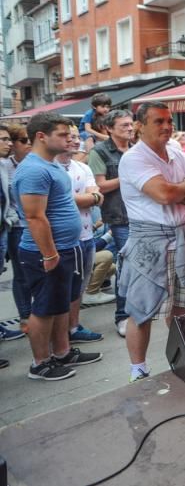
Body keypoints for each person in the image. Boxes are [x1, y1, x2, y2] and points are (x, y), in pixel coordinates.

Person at [117, 101, 185, 383]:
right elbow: (164, 195)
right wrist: (183, 188)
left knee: (181, 309)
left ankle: (179, 360)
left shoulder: (175, 152)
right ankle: (138, 369)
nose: (167, 126)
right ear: (140, 125)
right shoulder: (134, 158)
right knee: (141, 310)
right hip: (150, 241)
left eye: (169, 121)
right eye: (159, 121)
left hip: (181, 235)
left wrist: (177, 190)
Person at [14, 112, 102, 381]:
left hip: (68, 247)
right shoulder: (33, 169)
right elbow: (34, 217)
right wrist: (49, 253)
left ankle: (62, 352)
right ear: (41, 136)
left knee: (61, 304)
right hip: (48, 252)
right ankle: (40, 364)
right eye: (62, 134)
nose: (70, 139)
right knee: (43, 308)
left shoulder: (51, 165)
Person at [88, 109, 134, 338]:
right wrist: (128, 174)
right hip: (119, 217)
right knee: (126, 265)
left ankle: (139, 311)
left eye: (130, 124)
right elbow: (101, 186)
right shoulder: (100, 152)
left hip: (143, 215)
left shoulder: (137, 148)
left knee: (144, 265)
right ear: (109, 128)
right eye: (124, 125)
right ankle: (122, 316)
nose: (130, 128)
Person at [57, 125, 104, 344]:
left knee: (80, 286)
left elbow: (97, 195)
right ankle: (59, 335)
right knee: (62, 288)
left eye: (77, 137)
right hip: (63, 240)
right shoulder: (51, 168)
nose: (76, 141)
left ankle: (74, 327)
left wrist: (88, 197)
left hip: (86, 236)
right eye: (69, 136)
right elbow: (66, 200)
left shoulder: (82, 168)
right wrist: (87, 198)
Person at [0, 124, 26, 343]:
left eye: (9, 139)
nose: (8, 143)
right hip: (13, 228)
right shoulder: (5, 165)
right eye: (4, 139)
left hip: (8, 228)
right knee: (21, 275)